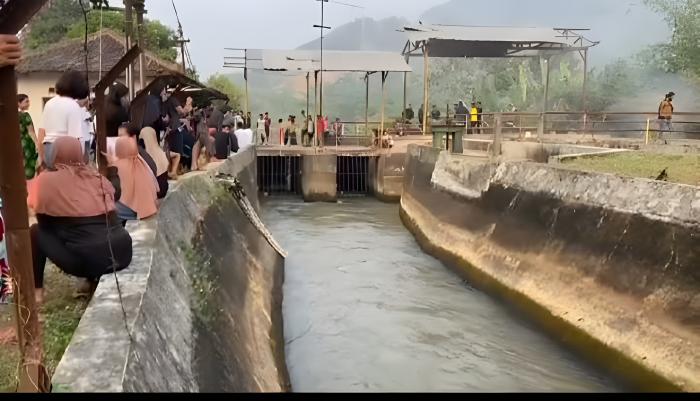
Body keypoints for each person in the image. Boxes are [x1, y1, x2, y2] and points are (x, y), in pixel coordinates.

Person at [28, 137, 133, 304]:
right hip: (123, 253)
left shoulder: (47, 180)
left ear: (55, 154)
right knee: (86, 235)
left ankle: (37, 292)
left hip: (88, 261)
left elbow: (39, 213)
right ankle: (91, 281)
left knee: (36, 232)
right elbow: (115, 194)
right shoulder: (96, 177)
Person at [38, 71, 90, 169]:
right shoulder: (73, 105)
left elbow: (42, 132)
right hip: (65, 151)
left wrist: (41, 157)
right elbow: (75, 138)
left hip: (48, 149)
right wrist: (81, 161)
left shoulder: (49, 103)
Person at [111, 137, 159, 223]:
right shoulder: (140, 161)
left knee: (106, 208)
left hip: (134, 211)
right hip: (149, 206)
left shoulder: (118, 165)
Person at [18, 94, 40, 180]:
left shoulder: (10, 116)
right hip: (26, 145)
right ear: (18, 103)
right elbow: (31, 132)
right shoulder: (25, 115)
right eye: (26, 101)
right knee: (28, 169)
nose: (29, 103)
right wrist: (37, 144)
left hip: (13, 145)